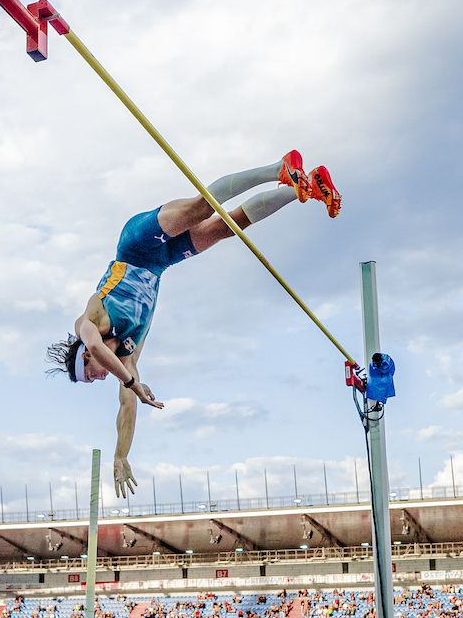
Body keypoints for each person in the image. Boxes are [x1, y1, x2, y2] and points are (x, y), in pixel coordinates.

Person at [48, 151, 341, 496]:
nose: (100, 377)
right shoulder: (128, 354)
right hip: (162, 263)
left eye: (92, 374)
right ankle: (304, 189)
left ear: (84, 356)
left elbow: (102, 353)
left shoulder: (90, 322)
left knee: (201, 209)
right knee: (227, 227)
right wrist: (121, 455)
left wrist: (131, 382)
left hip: (136, 245)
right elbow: (126, 406)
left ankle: (278, 168)